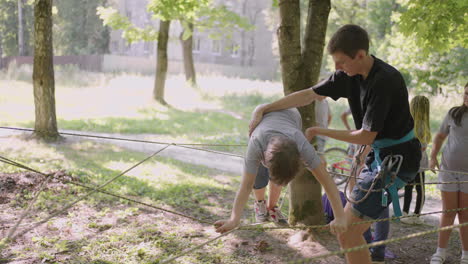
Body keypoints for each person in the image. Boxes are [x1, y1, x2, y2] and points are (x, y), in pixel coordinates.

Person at [249, 24, 421, 264]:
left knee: (348, 232)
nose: (337, 68)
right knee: (345, 234)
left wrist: (319, 130)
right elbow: (309, 94)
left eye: (341, 62)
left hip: (398, 161)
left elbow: (365, 136)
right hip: (377, 158)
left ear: (360, 55)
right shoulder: (347, 76)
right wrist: (265, 108)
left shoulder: (385, 81)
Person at [214, 107, 348, 236]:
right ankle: (261, 205)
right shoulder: (255, 145)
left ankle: (272, 206)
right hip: (264, 116)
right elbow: (246, 185)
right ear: (264, 156)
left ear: (300, 159)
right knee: (257, 177)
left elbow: (327, 182)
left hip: (292, 115)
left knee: (293, 168)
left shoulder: (303, 147)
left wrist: (340, 217)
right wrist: (234, 219)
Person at [429, 84, 468, 264]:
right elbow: (439, 136)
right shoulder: (454, 113)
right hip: (448, 170)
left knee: (465, 215)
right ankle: (440, 253)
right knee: (448, 212)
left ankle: (466, 254)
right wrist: (432, 156)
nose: (467, 97)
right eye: (466, 93)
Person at [401, 95, 431, 225]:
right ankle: (416, 215)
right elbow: (423, 146)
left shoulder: (406, 123)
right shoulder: (423, 126)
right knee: (420, 189)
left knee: (408, 187)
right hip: (419, 163)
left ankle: (404, 212)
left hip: (409, 162)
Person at [315, 97, 332, 163]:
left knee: (320, 158)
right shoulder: (314, 101)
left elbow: (330, 116)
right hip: (317, 134)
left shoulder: (325, 101)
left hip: (322, 135)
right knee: (320, 158)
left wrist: (324, 128)